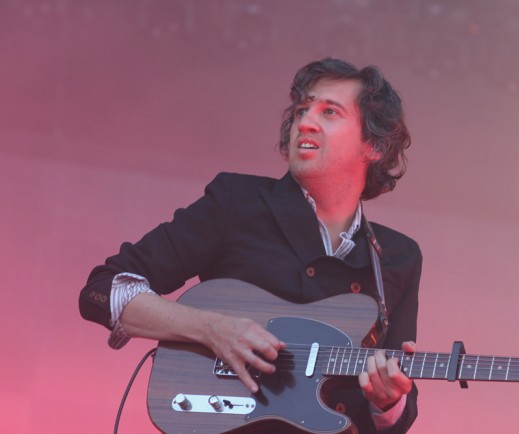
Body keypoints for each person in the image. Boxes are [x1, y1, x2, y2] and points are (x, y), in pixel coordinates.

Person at [79, 58, 422, 433]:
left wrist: (387, 401)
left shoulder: (397, 257)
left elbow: (397, 414)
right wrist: (211, 329)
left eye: (329, 112)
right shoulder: (237, 202)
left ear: (373, 145)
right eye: (301, 110)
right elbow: (104, 290)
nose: (305, 122)